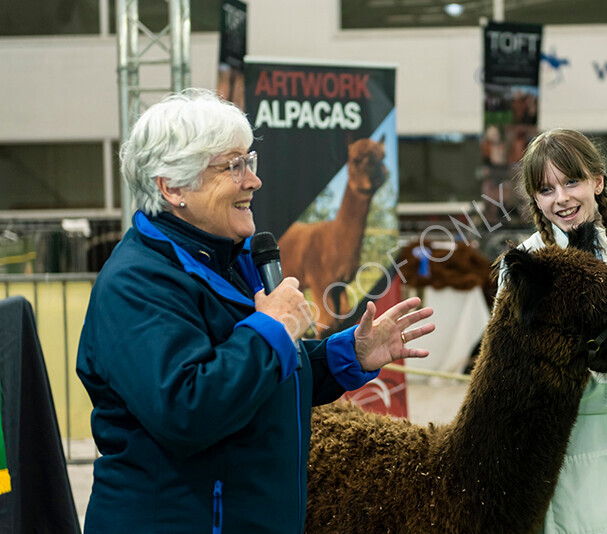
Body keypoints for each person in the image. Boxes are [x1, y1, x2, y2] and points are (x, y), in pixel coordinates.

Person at [76, 88, 435, 533]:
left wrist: (347, 356)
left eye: (250, 161)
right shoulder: (137, 283)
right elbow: (187, 409)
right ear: (172, 187)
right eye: (232, 166)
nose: (253, 180)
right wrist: (270, 329)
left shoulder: (231, 260)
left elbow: (261, 383)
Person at [513, 128, 607, 533]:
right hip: (562, 447)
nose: (561, 198)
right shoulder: (527, 267)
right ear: (536, 199)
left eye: (572, 181)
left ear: (597, 181)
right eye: (546, 189)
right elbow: (516, 373)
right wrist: (606, 382)